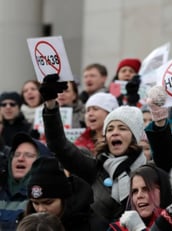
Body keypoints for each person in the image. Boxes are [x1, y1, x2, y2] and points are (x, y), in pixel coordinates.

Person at [39, 74, 147, 221]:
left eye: (122, 128)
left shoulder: (149, 172)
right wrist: (51, 105)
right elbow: (59, 145)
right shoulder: (96, 169)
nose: (114, 132)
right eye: (109, 129)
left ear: (134, 136)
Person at [24, 156, 108, 230]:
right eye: (35, 203)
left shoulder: (94, 226)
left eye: (48, 202)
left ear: (64, 198)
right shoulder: (26, 224)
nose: (41, 209)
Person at [0, 132, 51, 230]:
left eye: (29, 155)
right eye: (16, 154)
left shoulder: (43, 199)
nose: (20, 159)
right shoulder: (1, 190)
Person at [108, 164, 172, 231]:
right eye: (135, 191)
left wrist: (139, 228)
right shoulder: (118, 229)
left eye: (146, 189)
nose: (139, 196)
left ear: (163, 191)